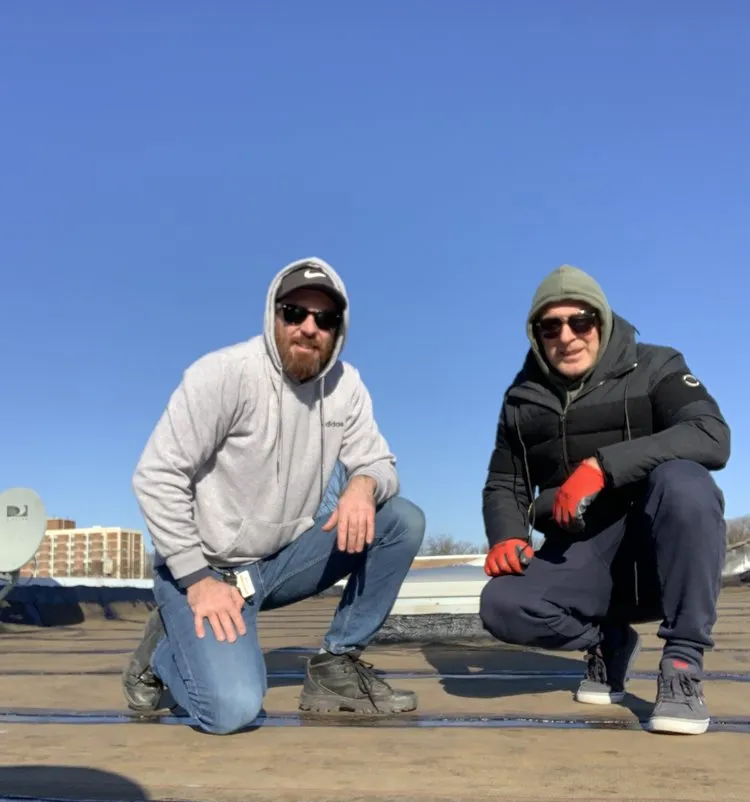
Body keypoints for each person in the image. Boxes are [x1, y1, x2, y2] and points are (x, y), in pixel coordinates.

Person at [124, 257, 425, 734]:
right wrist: (198, 581)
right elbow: (157, 475)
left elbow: (379, 462)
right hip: (204, 570)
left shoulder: (347, 387)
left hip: (277, 563)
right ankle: (164, 652)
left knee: (401, 521)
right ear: (273, 316)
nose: (309, 328)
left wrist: (362, 487)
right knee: (232, 710)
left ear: (338, 329)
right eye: (294, 313)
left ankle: (336, 665)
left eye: (324, 319)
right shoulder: (224, 374)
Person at [479, 265, 730, 735]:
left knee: (685, 481)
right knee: (501, 604)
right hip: (584, 554)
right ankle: (609, 640)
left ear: (603, 321)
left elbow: (711, 435)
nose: (567, 337)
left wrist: (603, 466)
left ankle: (682, 663)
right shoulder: (521, 399)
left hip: (658, 554)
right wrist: (507, 535)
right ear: (536, 335)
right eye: (550, 326)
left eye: (581, 321)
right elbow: (505, 483)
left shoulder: (657, 365)